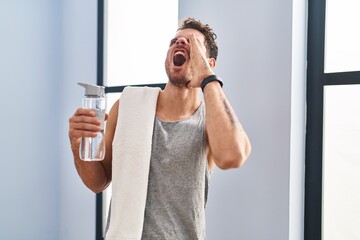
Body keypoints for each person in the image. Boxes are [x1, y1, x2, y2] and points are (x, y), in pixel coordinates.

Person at [68, 17, 251, 239]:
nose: (180, 43)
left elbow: (233, 155)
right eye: (175, 41)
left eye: (192, 43)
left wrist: (207, 79)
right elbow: (98, 181)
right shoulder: (128, 104)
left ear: (209, 63)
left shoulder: (210, 121)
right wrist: (78, 143)